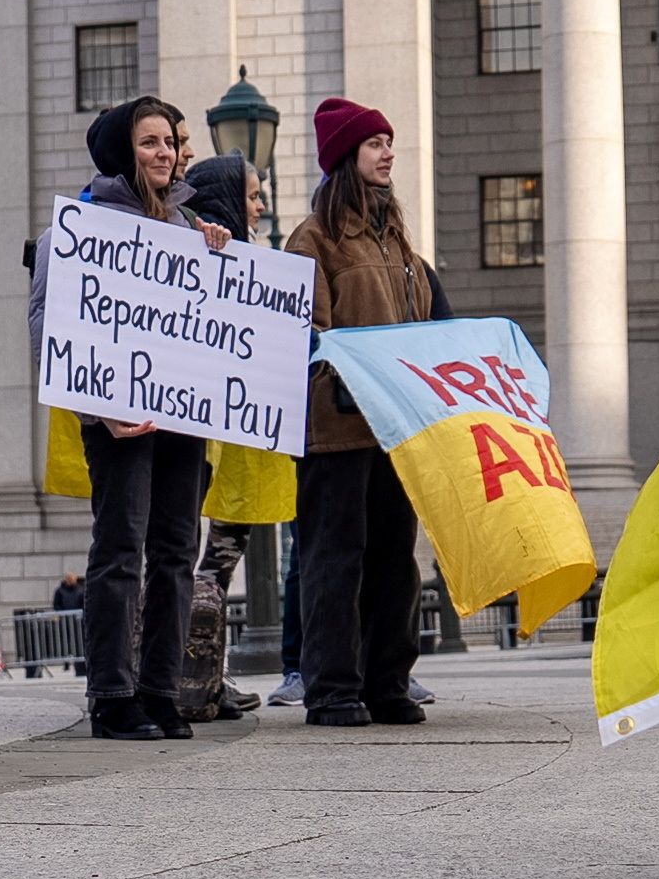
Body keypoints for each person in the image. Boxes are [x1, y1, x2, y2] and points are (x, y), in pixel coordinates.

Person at [71, 97, 229, 742]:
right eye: (149, 142)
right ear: (121, 151)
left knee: (174, 552)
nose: (165, 152)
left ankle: (160, 691)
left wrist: (220, 252)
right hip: (120, 419)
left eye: (170, 141)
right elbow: (51, 324)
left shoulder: (193, 223)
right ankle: (112, 694)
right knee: (120, 550)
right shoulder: (86, 223)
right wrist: (98, 408)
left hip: (182, 417)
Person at [284, 98, 445, 730]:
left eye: (389, 141)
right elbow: (305, 334)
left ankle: (387, 683)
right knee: (334, 560)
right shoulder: (313, 238)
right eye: (375, 143)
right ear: (346, 157)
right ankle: (331, 690)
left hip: (396, 429)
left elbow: (426, 325)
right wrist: (354, 372)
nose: (388, 153)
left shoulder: (400, 240)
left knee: (394, 560)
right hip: (336, 430)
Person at [174, 152, 276, 724]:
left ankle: (208, 675)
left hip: (240, 442)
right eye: (254, 195)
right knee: (196, 563)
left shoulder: (257, 261)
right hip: (202, 443)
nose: (261, 206)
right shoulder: (195, 253)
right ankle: (188, 676)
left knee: (220, 566)